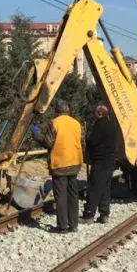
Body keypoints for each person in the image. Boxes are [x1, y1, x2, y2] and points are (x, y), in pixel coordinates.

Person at [31, 99, 83, 233]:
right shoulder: (77, 124)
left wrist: (37, 135)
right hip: (74, 162)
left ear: (56, 111)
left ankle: (62, 226)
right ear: (68, 110)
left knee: (60, 196)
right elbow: (82, 142)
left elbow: (48, 143)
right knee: (73, 195)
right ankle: (73, 225)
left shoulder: (54, 123)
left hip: (60, 164)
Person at [83, 104, 118, 223]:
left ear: (99, 114)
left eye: (95, 113)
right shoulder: (112, 126)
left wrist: (86, 139)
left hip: (100, 161)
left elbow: (93, 142)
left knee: (94, 187)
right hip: (110, 161)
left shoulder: (100, 126)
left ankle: (89, 215)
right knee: (105, 188)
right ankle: (104, 214)